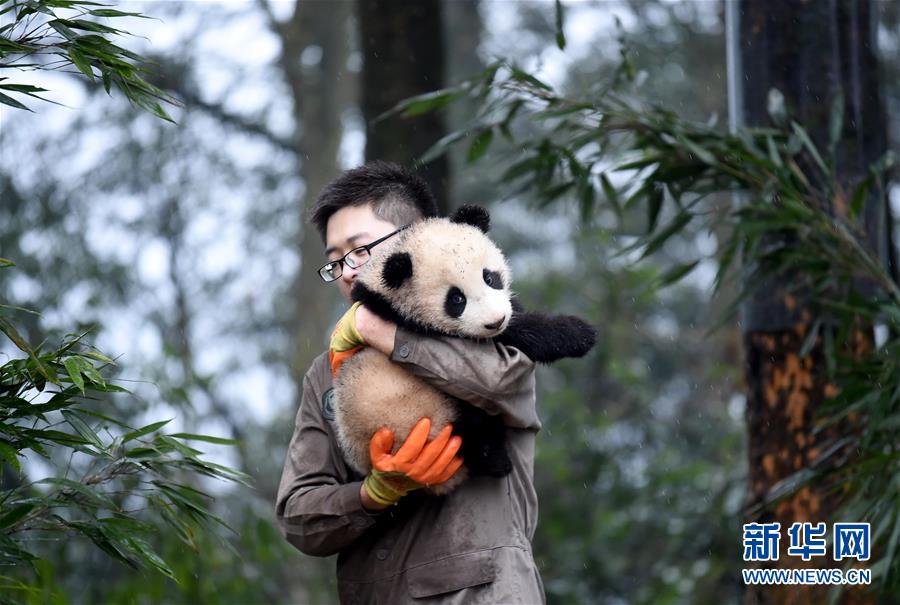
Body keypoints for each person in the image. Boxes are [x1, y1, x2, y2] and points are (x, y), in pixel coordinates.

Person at [275, 161, 545, 604]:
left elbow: (499, 383)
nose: (347, 271)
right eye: (335, 260)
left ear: (418, 238)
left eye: (360, 250)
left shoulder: (487, 320)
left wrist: (386, 335)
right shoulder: (327, 372)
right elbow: (298, 516)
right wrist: (372, 494)